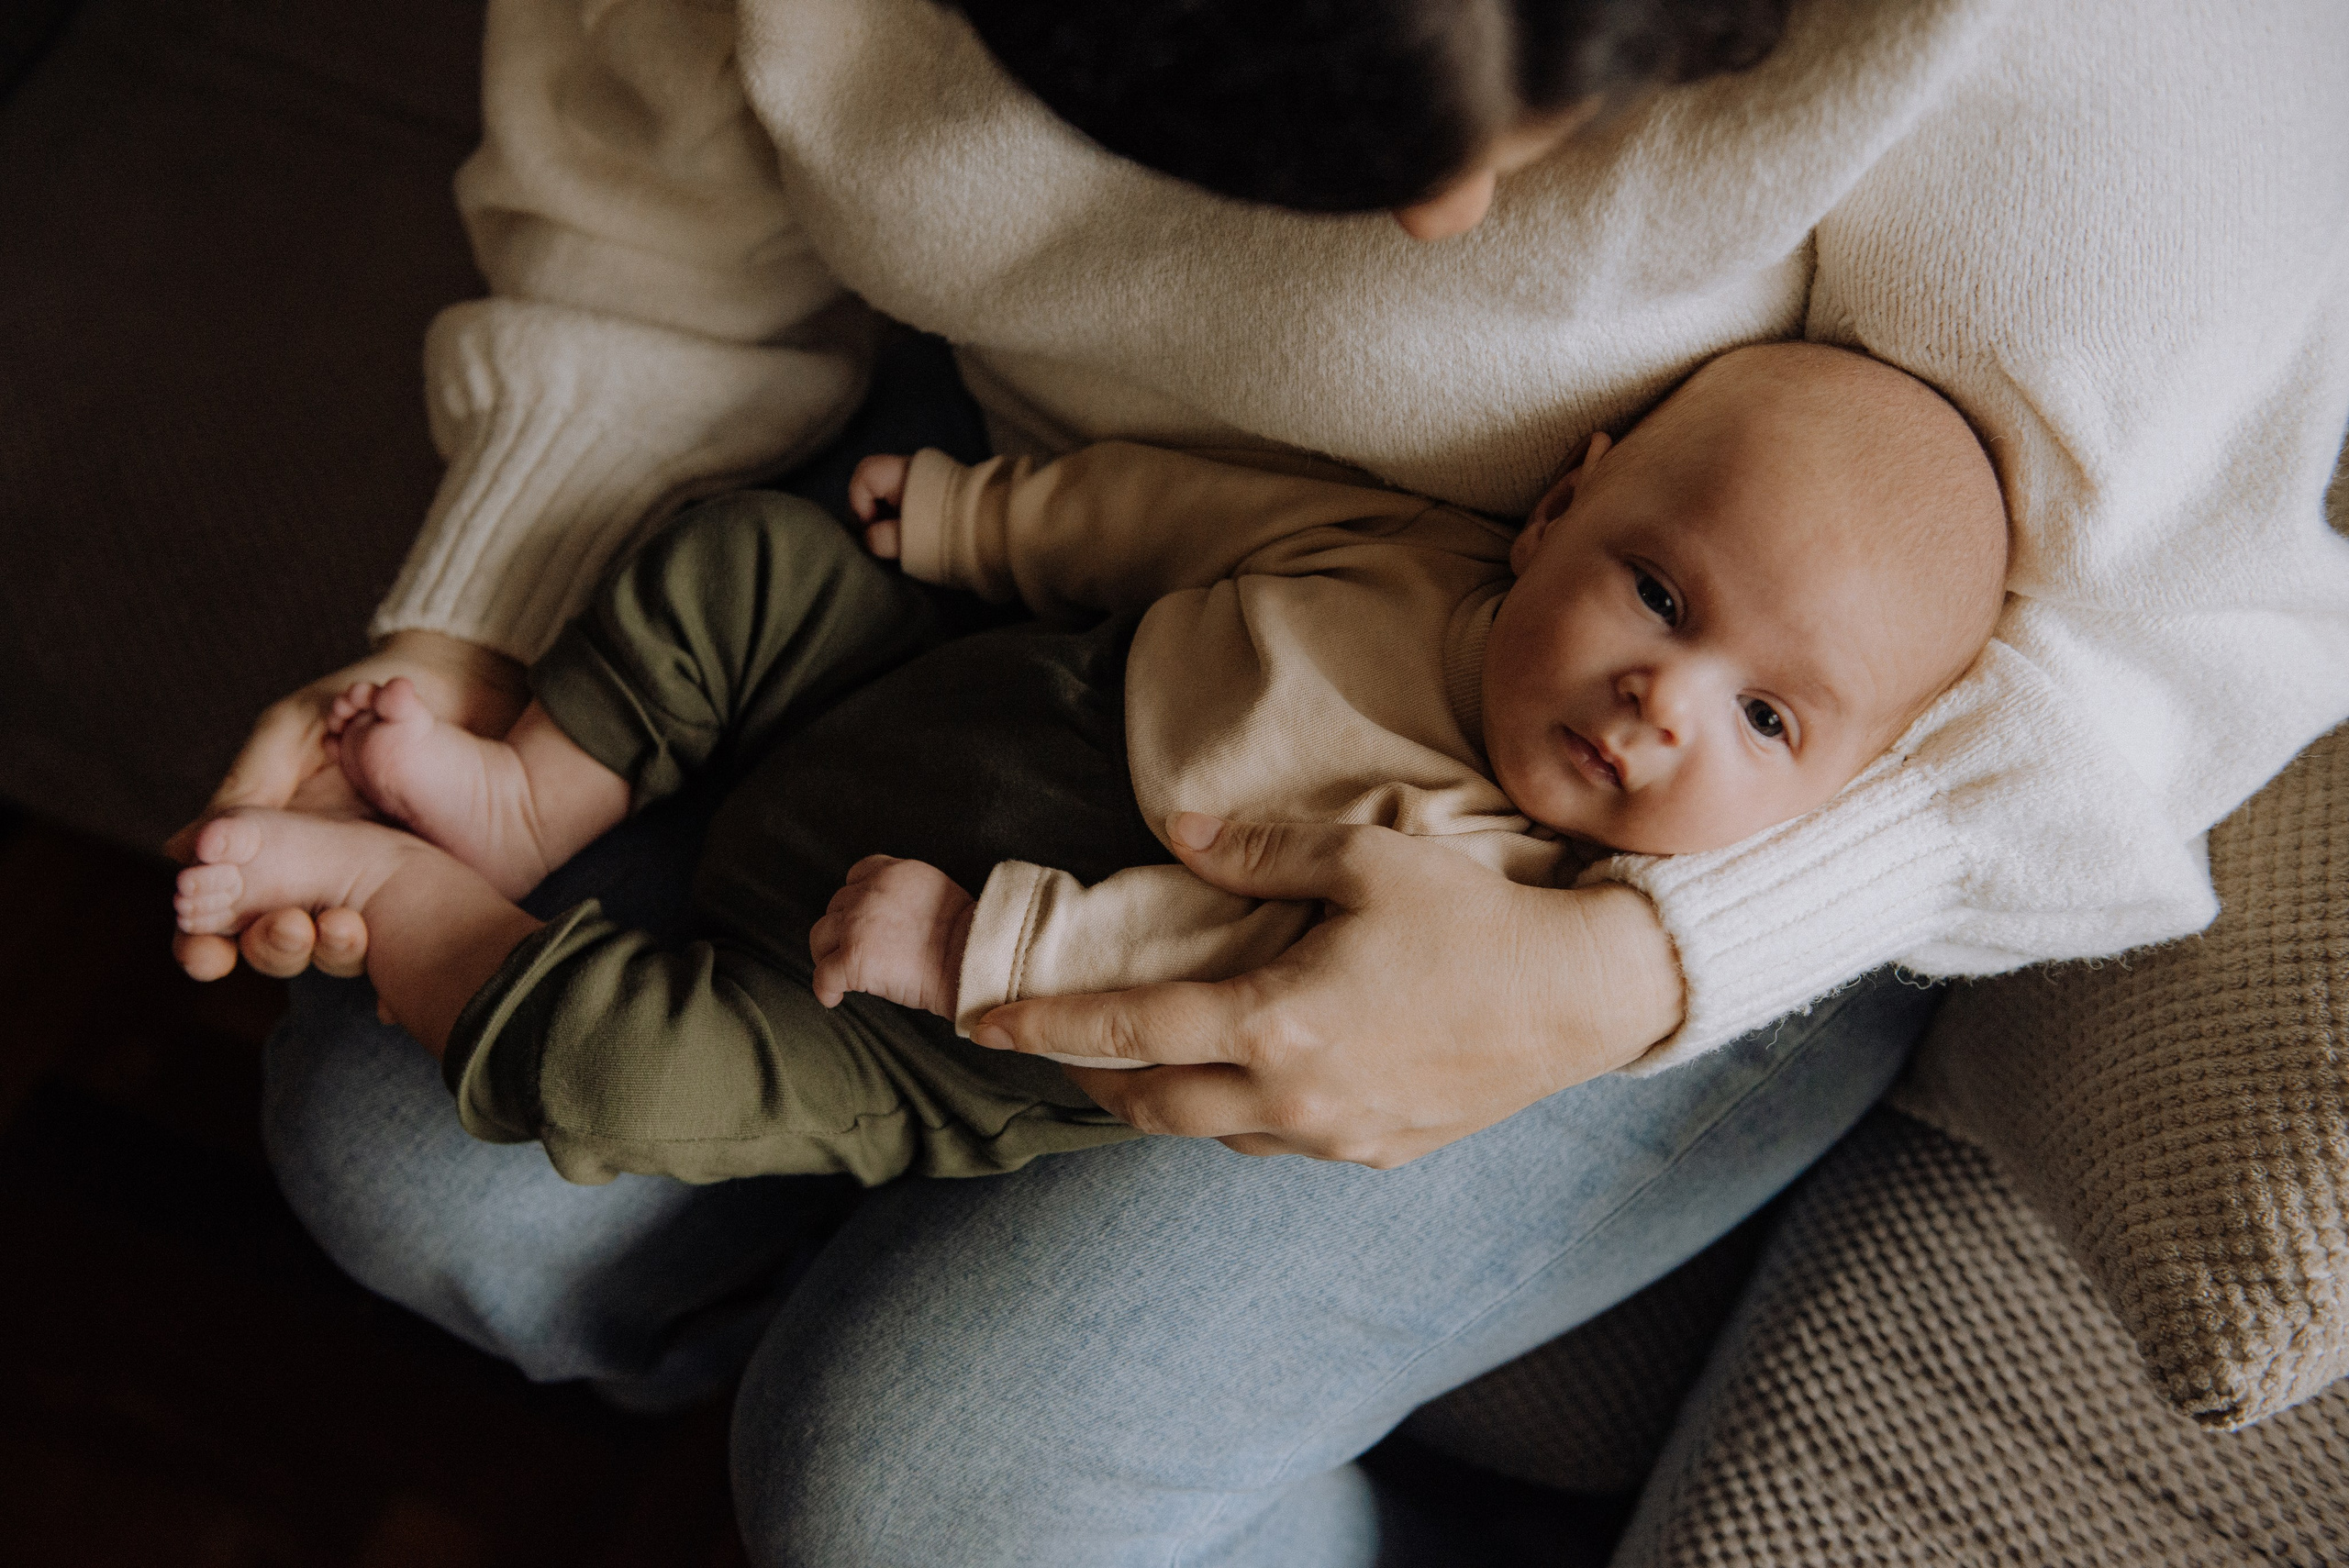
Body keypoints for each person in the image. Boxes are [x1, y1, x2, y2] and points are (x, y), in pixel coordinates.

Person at [177, 0, 2349, 1561]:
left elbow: (2167, 665)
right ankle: (795, 1290)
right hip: (1097, 601)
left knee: (927, 1502)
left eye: (1531, 93)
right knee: (395, 1165)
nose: (1446, 219)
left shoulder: (2111, 63)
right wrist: (463, 637)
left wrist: (1623, 973)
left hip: (1641, 879)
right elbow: (649, 200)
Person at [175, 342, 2007, 1185]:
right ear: (1561, 501)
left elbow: (1225, 973)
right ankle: (521, 803)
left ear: (1824, 800)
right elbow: (1181, 512)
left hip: (945, 1011)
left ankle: (410, 899)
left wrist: (985, 947)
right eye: (1658, 591)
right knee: (744, 561)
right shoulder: (1411, 559)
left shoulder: (1501, 891)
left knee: (615, 1074)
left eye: (1766, 721)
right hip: (979, 684)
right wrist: (985, 518)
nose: (1662, 699)